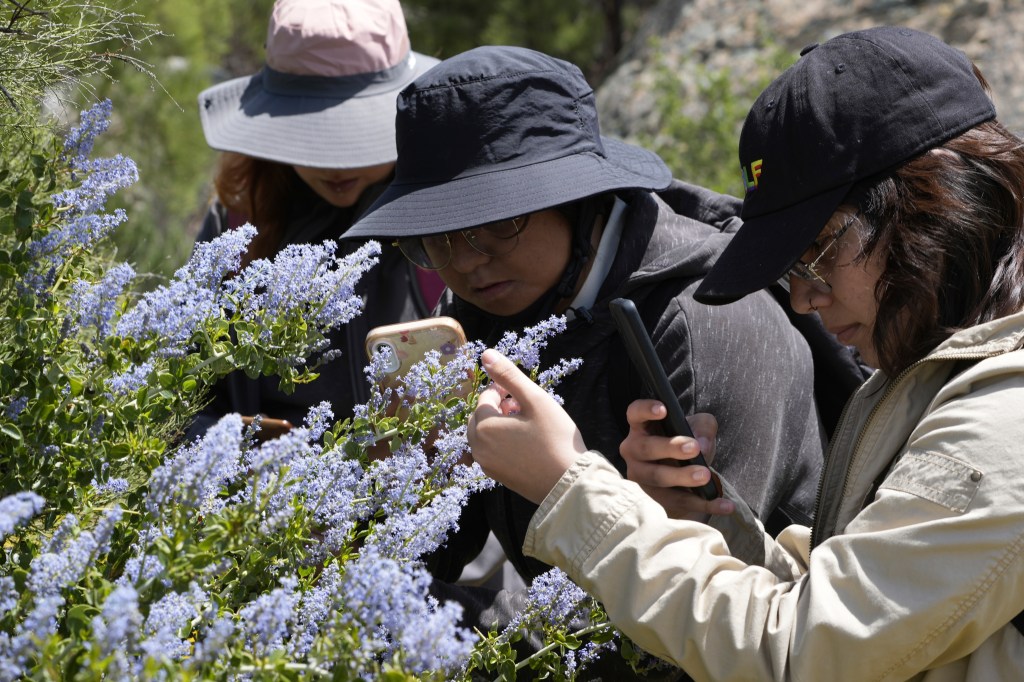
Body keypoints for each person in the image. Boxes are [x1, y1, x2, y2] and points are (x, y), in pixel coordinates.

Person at [467, 26, 1024, 681]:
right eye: (790, 269)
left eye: (815, 253)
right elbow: (845, 606)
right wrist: (700, 517)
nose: (804, 300)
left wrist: (573, 493)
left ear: (935, 209)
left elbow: (802, 654)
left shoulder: (1001, 422)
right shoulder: (928, 380)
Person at [343, 46, 862, 594]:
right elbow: (421, 567)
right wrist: (402, 473)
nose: (468, 259)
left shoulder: (702, 321)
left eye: (498, 223)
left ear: (578, 199)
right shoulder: (479, 311)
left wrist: (570, 487)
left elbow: (711, 615)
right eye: (436, 238)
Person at [186, 0, 442, 439]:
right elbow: (188, 392)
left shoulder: (448, 214)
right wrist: (228, 449)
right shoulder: (238, 222)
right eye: (313, 133)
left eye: (356, 132)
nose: (337, 164)